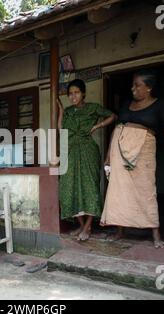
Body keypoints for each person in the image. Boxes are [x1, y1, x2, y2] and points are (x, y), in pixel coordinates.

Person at [100, 69, 164, 248]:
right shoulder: (126, 104)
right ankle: (120, 230)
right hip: (120, 150)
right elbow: (117, 129)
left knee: (146, 190)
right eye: (133, 85)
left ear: (148, 88)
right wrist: (109, 155)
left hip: (143, 152)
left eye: (137, 85)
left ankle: (155, 233)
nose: (133, 88)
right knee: (119, 190)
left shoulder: (160, 105)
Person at [58, 79, 116, 241]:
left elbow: (113, 116)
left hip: (88, 151)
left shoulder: (93, 108)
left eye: (76, 92)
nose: (73, 96)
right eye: (70, 94)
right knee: (68, 187)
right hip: (71, 152)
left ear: (83, 93)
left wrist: (97, 126)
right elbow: (61, 129)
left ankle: (87, 227)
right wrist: (62, 111)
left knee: (90, 187)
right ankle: (83, 225)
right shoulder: (69, 111)